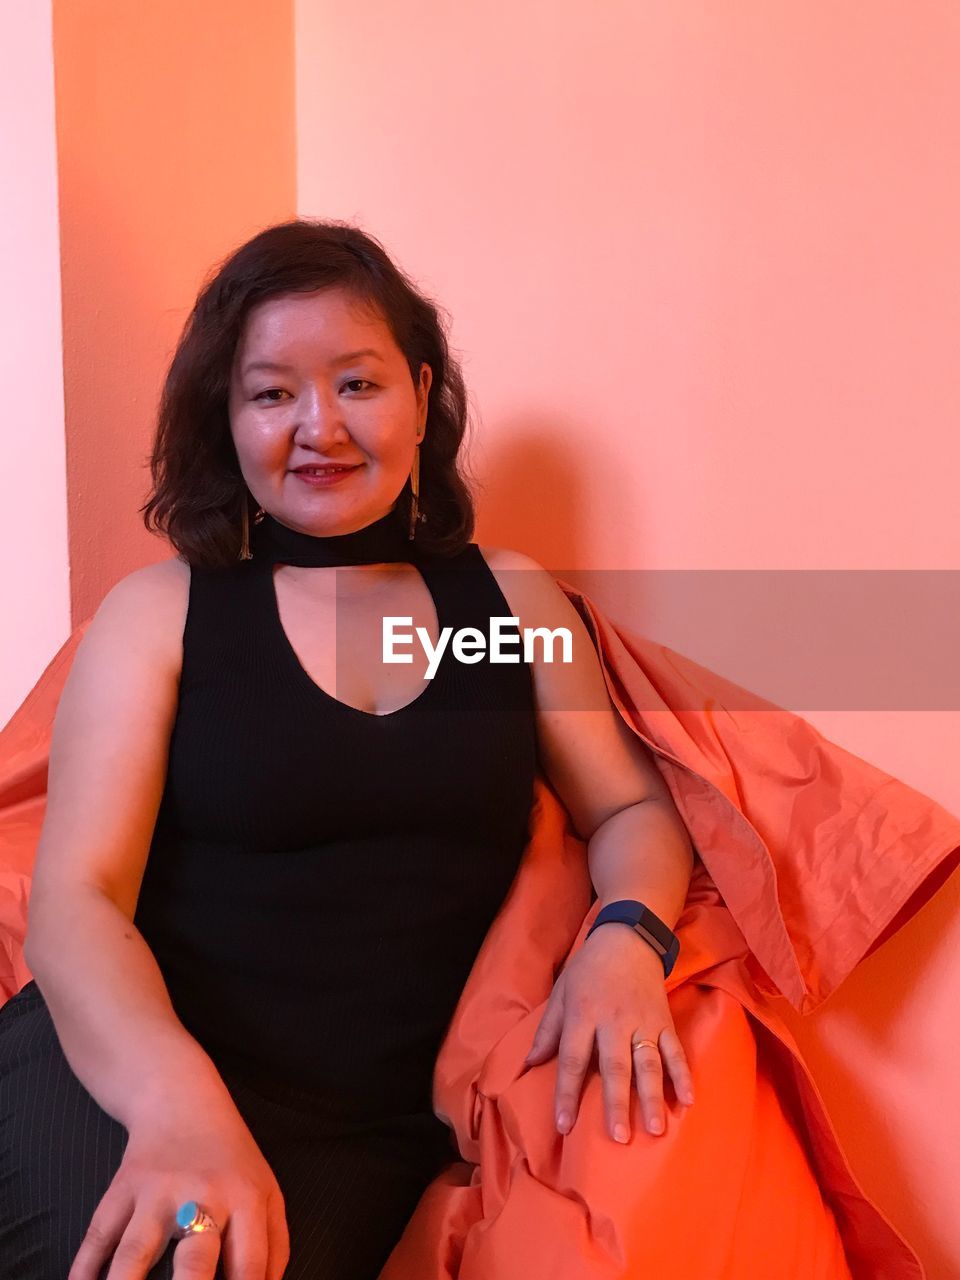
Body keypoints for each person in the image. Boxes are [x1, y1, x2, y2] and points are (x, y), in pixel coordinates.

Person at [0, 219, 697, 1280]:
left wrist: (626, 937)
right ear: (226, 421)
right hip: (133, 1079)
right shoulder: (164, 611)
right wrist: (180, 1112)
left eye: (357, 384)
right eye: (271, 392)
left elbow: (633, 811)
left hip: (360, 1134)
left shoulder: (505, 599)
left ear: (420, 393)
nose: (317, 424)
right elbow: (76, 902)